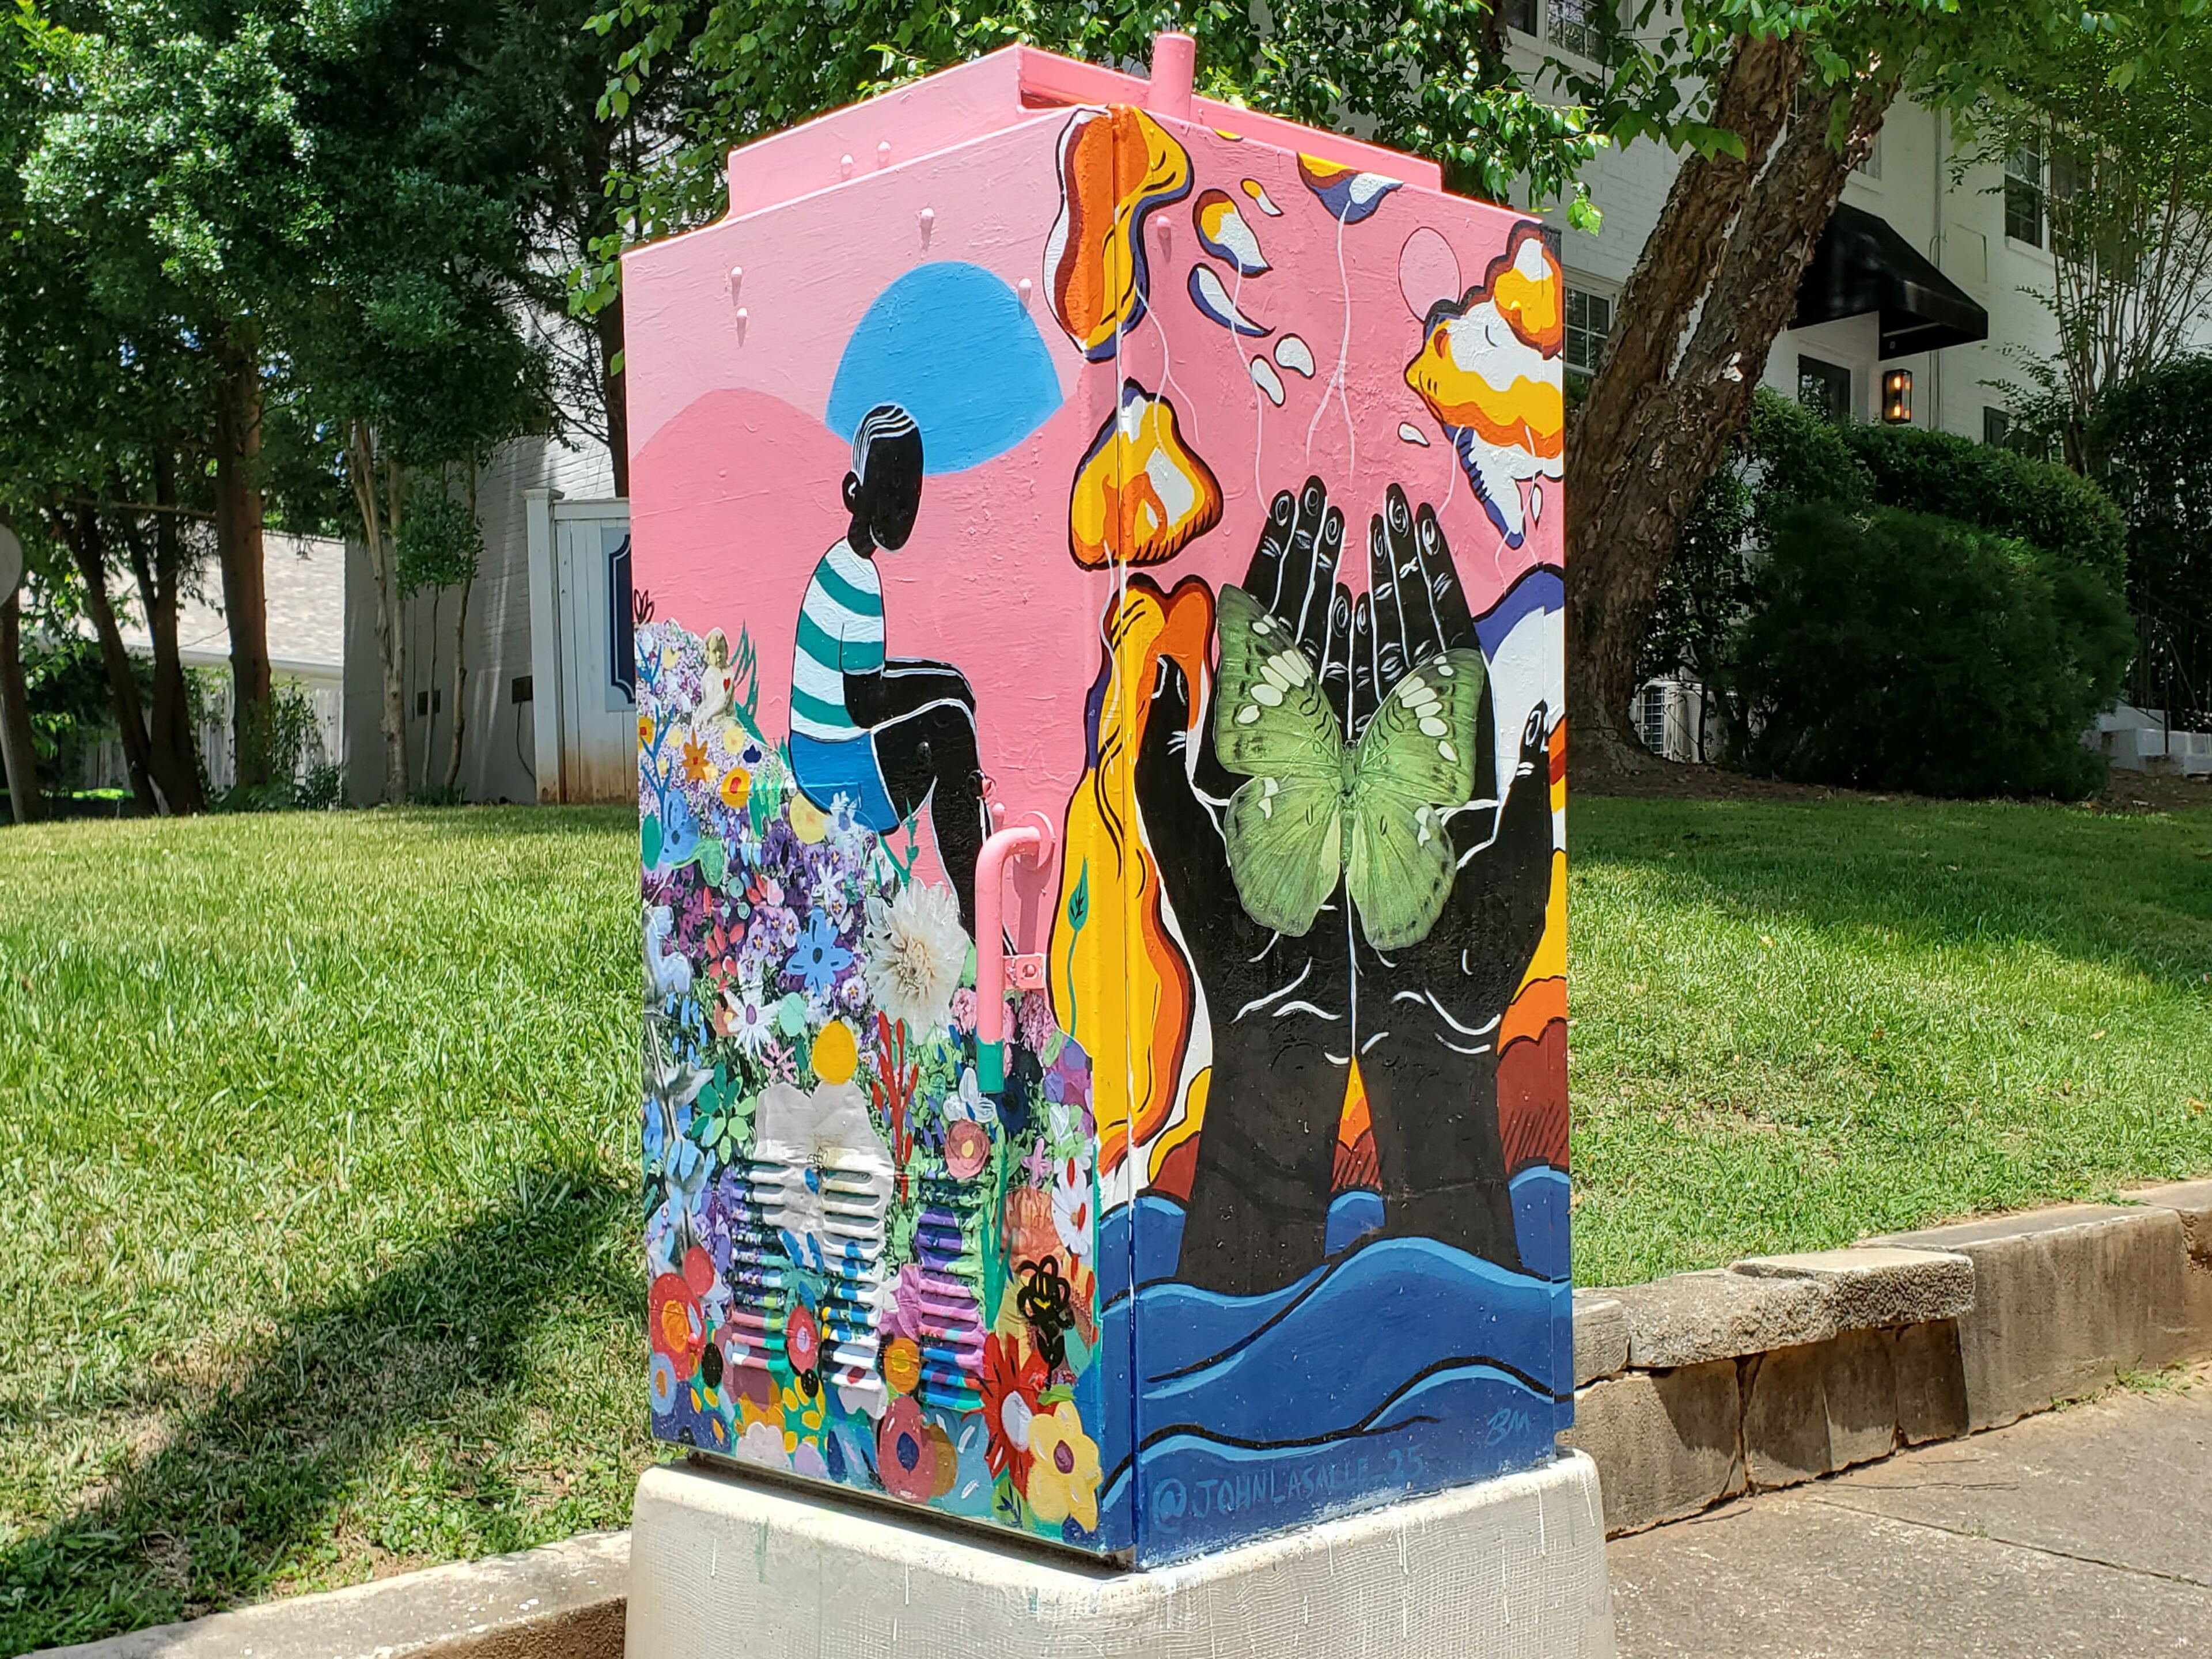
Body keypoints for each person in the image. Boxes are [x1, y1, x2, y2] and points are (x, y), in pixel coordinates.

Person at [787, 403, 986, 925]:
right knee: (950, 729)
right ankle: (977, 912)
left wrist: (944, 681)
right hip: (834, 767)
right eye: (890, 493)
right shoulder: (856, 577)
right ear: (855, 493)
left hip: (821, 751)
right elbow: (866, 702)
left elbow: (867, 675)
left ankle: (975, 905)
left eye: (910, 497)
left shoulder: (842, 562)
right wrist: (945, 691)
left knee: (948, 706)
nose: (902, 512)